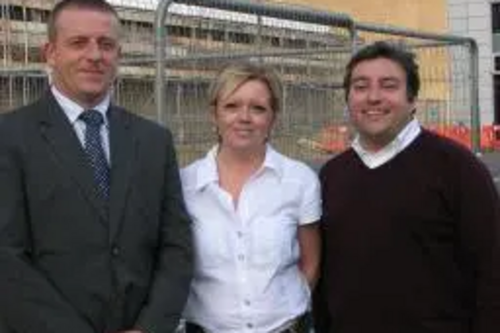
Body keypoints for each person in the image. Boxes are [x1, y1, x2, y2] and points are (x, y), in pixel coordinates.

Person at [0, 1, 192, 333]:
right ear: (50, 52)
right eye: (78, 43)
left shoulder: (153, 141)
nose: (94, 55)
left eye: (106, 44)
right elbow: (6, 258)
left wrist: (150, 326)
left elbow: (176, 244)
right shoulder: (10, 137)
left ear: (118, 54)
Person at [313, 40, 500, 333]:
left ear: (413, 99)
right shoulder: (332, 175)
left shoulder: (458, 169)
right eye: (361, 87)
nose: (373, 97)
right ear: (348, 98)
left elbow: (491, 273)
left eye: (389, 86)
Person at [181, 63, 321, 333]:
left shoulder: (299, 180)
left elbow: (311, 261)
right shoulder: (185, 184)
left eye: (258, 108)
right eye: (232, 106)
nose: (244, 117)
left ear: (273, 118)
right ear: (214, 114)